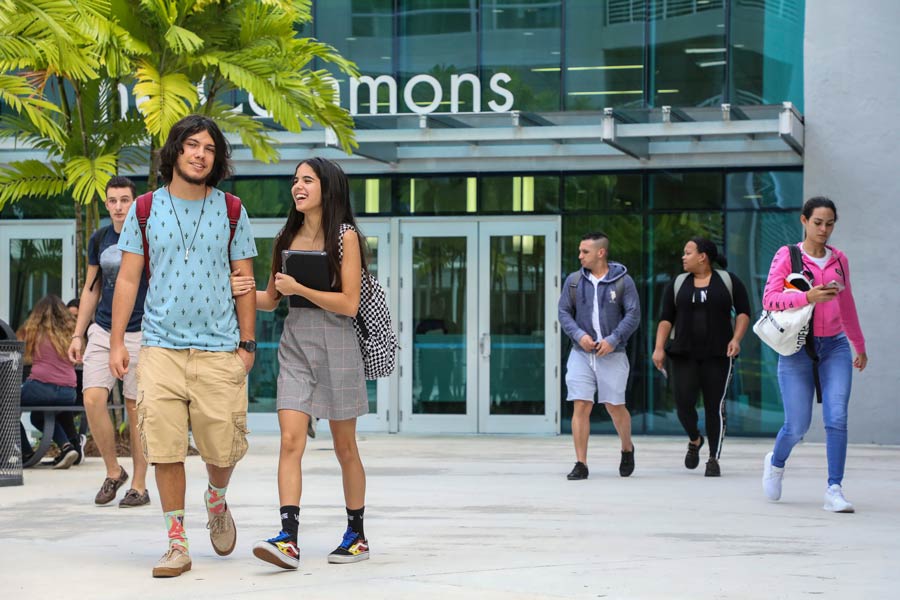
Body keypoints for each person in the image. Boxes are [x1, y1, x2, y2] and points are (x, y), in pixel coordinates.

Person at [109, 115, 258, 577]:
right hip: (159, 349)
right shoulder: (145, 209)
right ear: (174, 151)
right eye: (192, 145)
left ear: (216, 159)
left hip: (218, 349)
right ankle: (177, 542)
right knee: (166, 448)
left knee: (223, 449)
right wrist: (117, 341)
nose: (199, 154)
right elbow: (129, 278)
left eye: (209, 148)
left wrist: (247, 345)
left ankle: (215, 498)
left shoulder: (232, 209)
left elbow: (245, 283)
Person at [231, 158, 370, 570]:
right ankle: (288, 538)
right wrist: (239, 290)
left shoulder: (346, 238)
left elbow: (349, 304)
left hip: (338, 344)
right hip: (296, 344)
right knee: (290, 441)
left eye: (307, 180)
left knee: (345, 447)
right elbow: (273, 299)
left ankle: (356, 535)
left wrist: (299, 287)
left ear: (327, 187)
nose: (298, 186)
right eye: (295, 180)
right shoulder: (285, 235)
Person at [761, 197, 867, 512]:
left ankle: (834, 488)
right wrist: (807, 296)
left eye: (830, 223)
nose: (824, 229)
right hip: (797, 347)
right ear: (804, 221)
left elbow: (847, 305)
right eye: (818, 222)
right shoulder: (788, 256)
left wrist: (858, 345)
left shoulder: (840, 260)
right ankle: (776, 462)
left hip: (834, 345)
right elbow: (769, 299)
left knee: (837, 417)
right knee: (797, 425)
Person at [68, 176, 150, 507]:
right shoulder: (100, 238)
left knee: (135, 407)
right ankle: (114, 471)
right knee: (92, 399)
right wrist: (78, 333)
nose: (118, 206)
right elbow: (92, 289)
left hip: (141, 329)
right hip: (102, 329)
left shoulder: (147, 237)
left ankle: (140, 485)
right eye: (113, 200)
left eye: (125, 200)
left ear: (134, 202)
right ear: (106, 204)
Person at [652, 238, 752, 477]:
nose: (683, 257)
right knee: (683, 403)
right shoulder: (677, 284)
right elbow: (666, 318)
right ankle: (695, 440)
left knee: (714, 407)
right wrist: (659, 348)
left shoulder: (728, 281)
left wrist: (736, 339)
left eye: (688, 253)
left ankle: (713, 458)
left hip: (718, 355)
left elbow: (744, 312)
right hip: (683, 354)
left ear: (703, 256)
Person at [558, 231, 640, 480]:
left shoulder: (623, 281)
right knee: (581, 404)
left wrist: (613, 340)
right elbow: (563, 312)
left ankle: (627, 448)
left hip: (612, 354)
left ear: (601, 252)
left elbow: (633, 314)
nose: (579, 255)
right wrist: (579, 335)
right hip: (581, 353)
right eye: (580, 251)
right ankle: (581, 463)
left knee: (614, 406)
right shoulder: (573, 281)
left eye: (585, 251)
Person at [18, 295, 82, 468]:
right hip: (69, 393)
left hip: (41, 387)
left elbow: (16, 353)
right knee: (38, 417)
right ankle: (67, 448)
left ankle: (24, 452)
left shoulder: (34, 331)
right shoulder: (71, 333)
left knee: (5, 406)